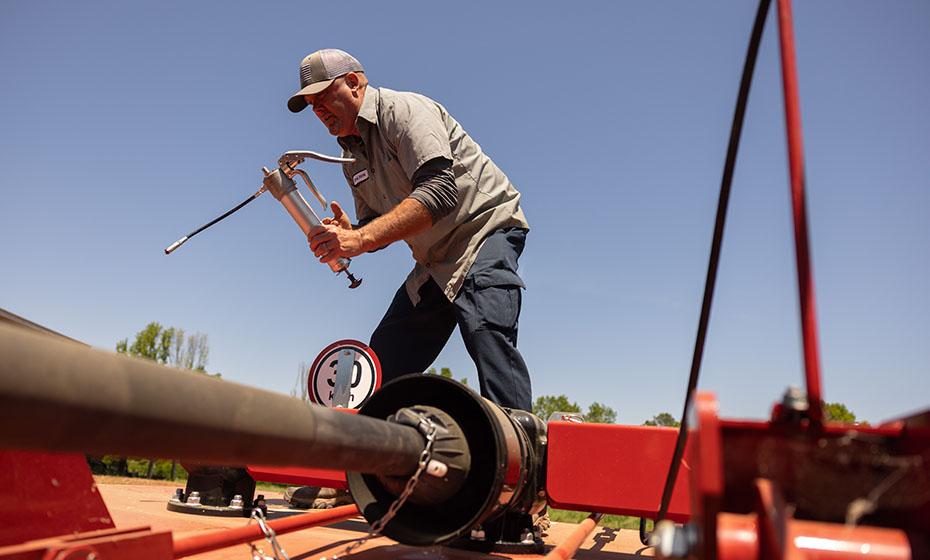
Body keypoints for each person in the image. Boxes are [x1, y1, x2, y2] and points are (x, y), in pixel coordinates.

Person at [288, 49, 532, 412]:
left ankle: (520, 454)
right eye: (311, 104)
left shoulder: (405, 111)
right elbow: (376, 228)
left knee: (486, 334)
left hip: (482, 231)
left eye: (324, 95)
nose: (318, 110)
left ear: (355, 83)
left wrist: (359, 238)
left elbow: (438, 193)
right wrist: (352, 231)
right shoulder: (352, 156)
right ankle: (368, 452)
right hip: (433, 260)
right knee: (384, 360)